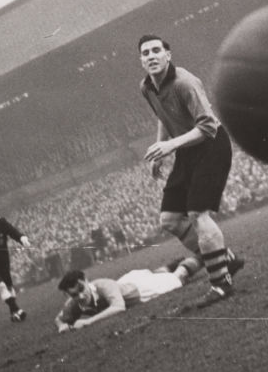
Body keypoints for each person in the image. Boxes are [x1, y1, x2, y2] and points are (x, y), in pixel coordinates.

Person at [138, 34, 244, 308]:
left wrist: (171, 145)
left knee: (197, 213)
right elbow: (163, 117)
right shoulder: (146, 87)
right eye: (145, 53)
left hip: (211, 146)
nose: (151, 56)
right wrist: (161, 148)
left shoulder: (185, 83)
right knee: (170, 220)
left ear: (168, 55)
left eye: (156, 51)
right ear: (141, 60)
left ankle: (221, 284)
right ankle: (225, 259)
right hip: (186, 150)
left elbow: (208, 126)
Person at [54, 257, 201, 332]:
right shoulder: (74, 303)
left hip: (141, 290)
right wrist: (62, 326)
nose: (80, 296)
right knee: (153, 273)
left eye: (81, 289)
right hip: (125, 283)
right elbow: (59, 318)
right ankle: (170, 264)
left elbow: (118, 307)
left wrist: (89, 322)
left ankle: (203, 256)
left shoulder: (103, 285)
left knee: (178, 277)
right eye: (74, 295)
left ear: (86, 281)